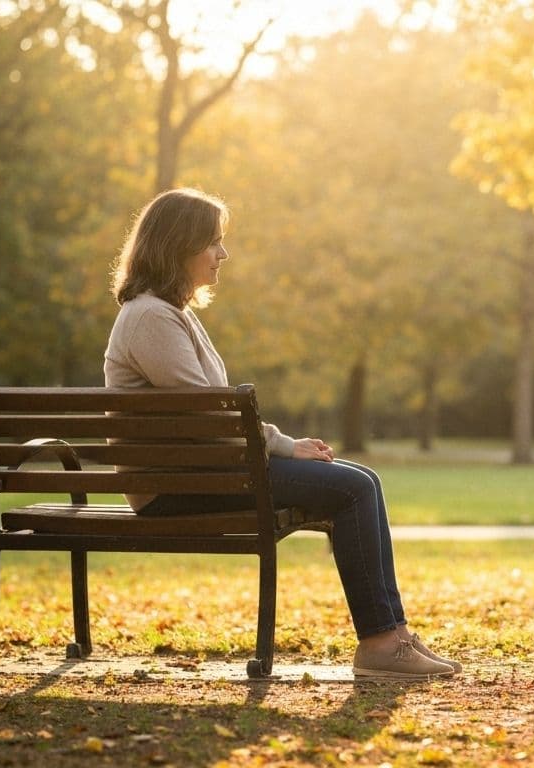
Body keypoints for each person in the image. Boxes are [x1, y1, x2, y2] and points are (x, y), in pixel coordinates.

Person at [103, 188, 459, 680]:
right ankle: (381, 642)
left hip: (201, 474)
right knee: (354, 488)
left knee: (363, 480)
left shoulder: (168, 313)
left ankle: (393, 635)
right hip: (178, 486)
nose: (222, 255)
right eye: (212, 243)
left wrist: (285, 445)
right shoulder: (149, 318)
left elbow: (213, 412)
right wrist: (285, 445)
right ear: (177, 245)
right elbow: (209, 415)